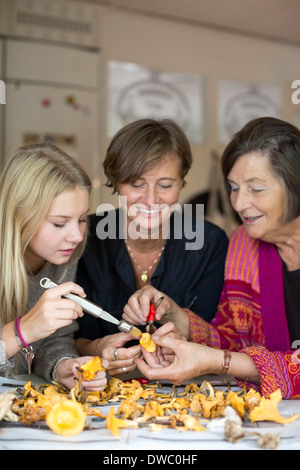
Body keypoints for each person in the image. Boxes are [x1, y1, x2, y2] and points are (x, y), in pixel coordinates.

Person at [125, 116, 300, 399]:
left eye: (255, 189)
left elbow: (228, 357)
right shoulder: (244, 244)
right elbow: (233, 338)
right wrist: (176, 317)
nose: (240, 204)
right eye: (233, 188)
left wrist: (220, 363)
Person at [75, 118, 228, 376]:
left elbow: (219, 334)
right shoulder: (83, 238)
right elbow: (71, 339)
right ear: (116, 182)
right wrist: (98, 347)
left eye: (166, 185)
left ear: (182, 183)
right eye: (136, 184)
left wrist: (178, 321)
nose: (150, 199)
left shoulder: (210, 243)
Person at [0, 142, 107, 391]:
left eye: (81, 219)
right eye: (60, 223)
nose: (77, 236)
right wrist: (22, 330)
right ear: (20, 217)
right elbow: (28, 335)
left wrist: (63, 366)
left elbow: (54, 339)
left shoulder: (63, 255)